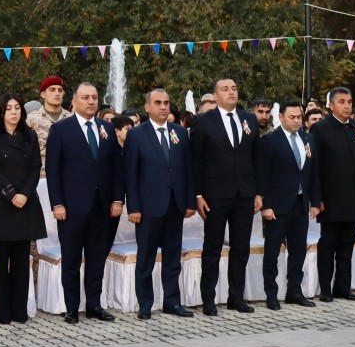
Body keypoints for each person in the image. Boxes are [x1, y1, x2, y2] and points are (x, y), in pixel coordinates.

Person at [45, 82, 123, 324]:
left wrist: (117, 199)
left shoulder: (107, 129)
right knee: (71, 260)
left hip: (102, 207)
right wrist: (57, 203)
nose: (91, 102)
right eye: (86, 98)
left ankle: (94, 305)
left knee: (97, 259)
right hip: (71, 208)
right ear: (75, 102)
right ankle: (71, 308)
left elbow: (117, 168)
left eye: (94, 97)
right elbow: (53, 170)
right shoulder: (61, 130)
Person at [123, 88, 196, 319]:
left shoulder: (180, 133)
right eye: (158, 103)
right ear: (147, 107)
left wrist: (189, 201)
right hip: (148, 208)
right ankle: (145, 304)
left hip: (174, 206)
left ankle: (172, 302)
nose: (163, 107)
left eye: (166, 103)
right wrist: (133, 207)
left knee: (173, 258)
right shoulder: (137, 134)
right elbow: (130, 174)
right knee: (146, 258)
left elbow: (187, 170)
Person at [190, 78, 261, 315]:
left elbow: (255, 157)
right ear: (215, 95)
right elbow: (196, 161)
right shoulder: (202, 121)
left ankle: (236, 297)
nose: (231, 92)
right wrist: (198, 194)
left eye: (234, 88)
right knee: (212, 248)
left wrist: (258, 192)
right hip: (215, 195)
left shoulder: (249, 119)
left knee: (241, 248)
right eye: (225, 89)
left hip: (244, 194)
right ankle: (208, 300)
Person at [0, 92, 45, 324]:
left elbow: (35, 168)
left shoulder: (30, 135)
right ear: (1, 112)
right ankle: (2, 313)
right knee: (1, 260)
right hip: (1, 203)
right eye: (9, 108)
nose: (14, 112)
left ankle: (20, 311)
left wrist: (25, 194)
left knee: (21, 259)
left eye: (17, 107)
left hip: (25, 203)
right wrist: (11, 193)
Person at [310, 87, 355, 303]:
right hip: (331, 198)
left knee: (348, 243)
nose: (347, 106)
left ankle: (343, 287)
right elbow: (315, 166)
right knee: (328, 244)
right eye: (342, 102)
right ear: (331, 105)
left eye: (349, 101)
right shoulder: (320, 129)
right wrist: (317, 198)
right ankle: (326, 289)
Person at [255, 100, 318, 310]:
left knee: (298, 249)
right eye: (292, 117)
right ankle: (271, 294)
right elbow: (263, 175)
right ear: (281, 117)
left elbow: (313, 173)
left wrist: (315, 202)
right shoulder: (270, 141)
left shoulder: (308, 139)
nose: (297, 121)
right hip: (277, 206)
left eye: (299, 117)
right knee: (272, 251)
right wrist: (266, 204)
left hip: (301, 203)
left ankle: (295, 291)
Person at [27, 75, 69, 173]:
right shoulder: (32, 119)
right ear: (43, 94)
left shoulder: (71, 118)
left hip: (67, 174)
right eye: (52, 90)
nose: (57, 93)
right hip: (41, 175)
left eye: (60, 90)